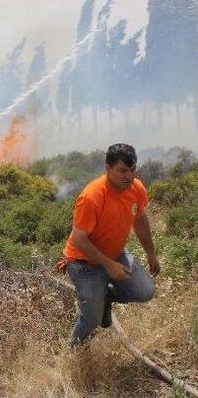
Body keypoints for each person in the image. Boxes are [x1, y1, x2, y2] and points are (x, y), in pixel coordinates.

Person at [59, 143, 161, 346]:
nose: (129, 176)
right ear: (108, 168)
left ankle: (105, 296)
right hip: (84, 264)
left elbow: (139, 220)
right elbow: (80, 239)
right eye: (123, 171)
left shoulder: (136, 188)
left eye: (132, 170)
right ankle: (71, 354)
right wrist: (109, 265)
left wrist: (151, 253)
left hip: (115, 255)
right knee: (92, 319)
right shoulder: (91, 197)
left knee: (146, 291)